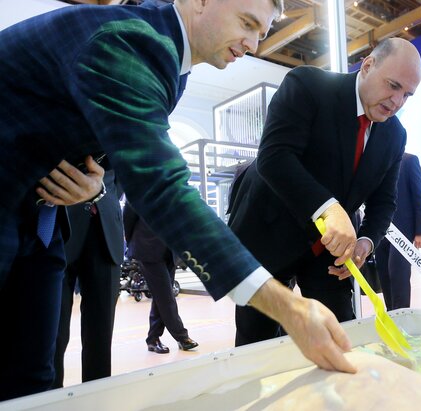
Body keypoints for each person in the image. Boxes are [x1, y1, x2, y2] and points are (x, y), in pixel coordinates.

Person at [0, 0, 355, 401]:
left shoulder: (172, 65)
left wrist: (96, 183)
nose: (254, 44)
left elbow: (113, 145)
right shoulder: (129, 42)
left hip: (40, 223)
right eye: (246, 23)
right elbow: (162, 187)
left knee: (32, 377)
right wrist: (286, 307)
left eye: (262, 32)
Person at [228, 38, 421, 346]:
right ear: (368, 65)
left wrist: (366, 242)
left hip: (327, 251)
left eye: (407, 94)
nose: (397, 101)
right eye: (393, 85)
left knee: (340, 335)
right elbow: (274, 157)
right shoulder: (309, 86)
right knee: (257, 343)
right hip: (267, 235)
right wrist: (329, 209)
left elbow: (384, 201)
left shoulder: (395, 135)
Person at [52, 170, 124, 388]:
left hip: (106, 228)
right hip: (58, 223)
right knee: (53, 334)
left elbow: (123, 174)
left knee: (101, 332)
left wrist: (105, 195)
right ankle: (50, 398)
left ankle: (96, 398)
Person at [123, 202, 198, 354]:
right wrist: (133, 241)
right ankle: (182, 336)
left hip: (170, 250)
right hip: (147, 248)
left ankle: (153, 338)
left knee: (161, 296)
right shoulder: (140, 189)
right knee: (166, 296)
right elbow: (128, 218)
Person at [374, 153, 421, 310]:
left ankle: (402, 315)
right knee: (384, 275)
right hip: (380, 231)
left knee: (398, 275)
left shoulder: (409, 160)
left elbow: (420, 197)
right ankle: (392, 314)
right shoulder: (375, 163)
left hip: (403, 230)